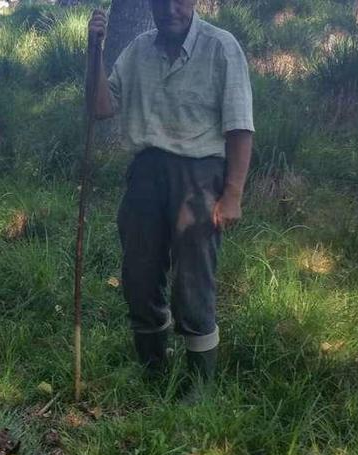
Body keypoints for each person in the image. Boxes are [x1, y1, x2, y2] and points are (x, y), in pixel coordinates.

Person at [88, 0, 254, 401]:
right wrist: (94, 49)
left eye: (179, 0)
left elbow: (239, 126)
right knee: (139, 274)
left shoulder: (221, 47)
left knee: (193, 281)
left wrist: (232, 194)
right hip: (145, 175)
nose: (170, 9)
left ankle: (199, 384)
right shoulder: (137, 50)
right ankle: (153, 368)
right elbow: (99, 108)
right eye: (160, 2)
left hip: (199, 176)